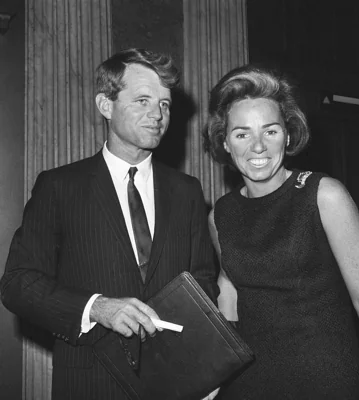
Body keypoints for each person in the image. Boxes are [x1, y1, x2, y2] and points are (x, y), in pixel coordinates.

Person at [0, 48, 219, 400]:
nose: (157, 115)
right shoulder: (60, 187)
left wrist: (206, 365)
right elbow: (17, 283)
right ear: (106, 105)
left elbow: (204, 283)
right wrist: (97, 307)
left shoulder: (188, 191)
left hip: (174, 385)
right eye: (143, 100)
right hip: (89, 383)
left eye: (164, 104)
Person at [204, 64, 359, 400]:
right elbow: (230, 290)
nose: (258, 146)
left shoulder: (323, 194)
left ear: (288, 136)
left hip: (329, 380)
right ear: (226, 143)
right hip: (251, 384)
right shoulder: (221, 213)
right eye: (242, 133)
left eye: (271, 131)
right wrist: (212, 378)